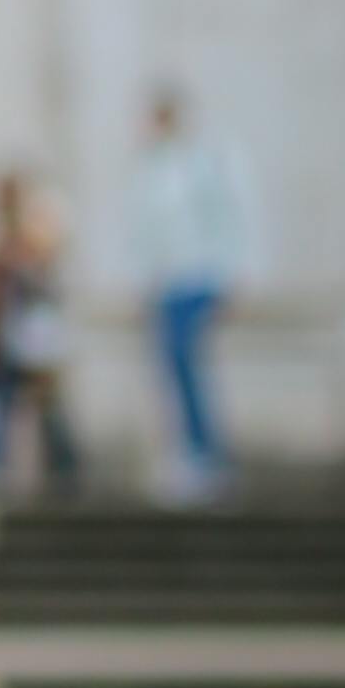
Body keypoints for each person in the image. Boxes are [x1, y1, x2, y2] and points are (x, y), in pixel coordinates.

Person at [130, 83, 260, 503]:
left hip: (199, 277)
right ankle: (186, 453)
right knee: (172, 368)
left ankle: (206, 454)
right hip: (168, 284)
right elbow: (148, 238)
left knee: (186, 362)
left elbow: (228, 220)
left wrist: (231, 277)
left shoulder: (201, 164)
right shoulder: (151, 170)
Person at [0, 165, 79, 497]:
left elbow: (46, 256)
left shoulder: (36, 228)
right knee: (0, 406)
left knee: (44, 406)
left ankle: (64, 470)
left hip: (35, 339)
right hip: (2, 340)